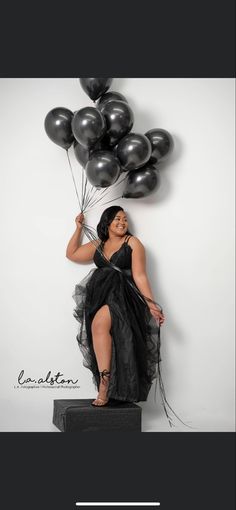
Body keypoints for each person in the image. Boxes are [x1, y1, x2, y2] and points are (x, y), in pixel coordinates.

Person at [66, 205, 165, 407]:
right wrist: (78, 228)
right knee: (98, 332)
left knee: (99, 325)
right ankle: (106, 381)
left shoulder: (133, 243)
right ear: (107, 222)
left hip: (123, 296)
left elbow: (140, 275)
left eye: (125, 219)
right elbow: (72, 254)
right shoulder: (98, 244)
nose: (122, 222)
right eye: (117, 219)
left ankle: (104, 386)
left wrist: (152, 304)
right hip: (99, 295)